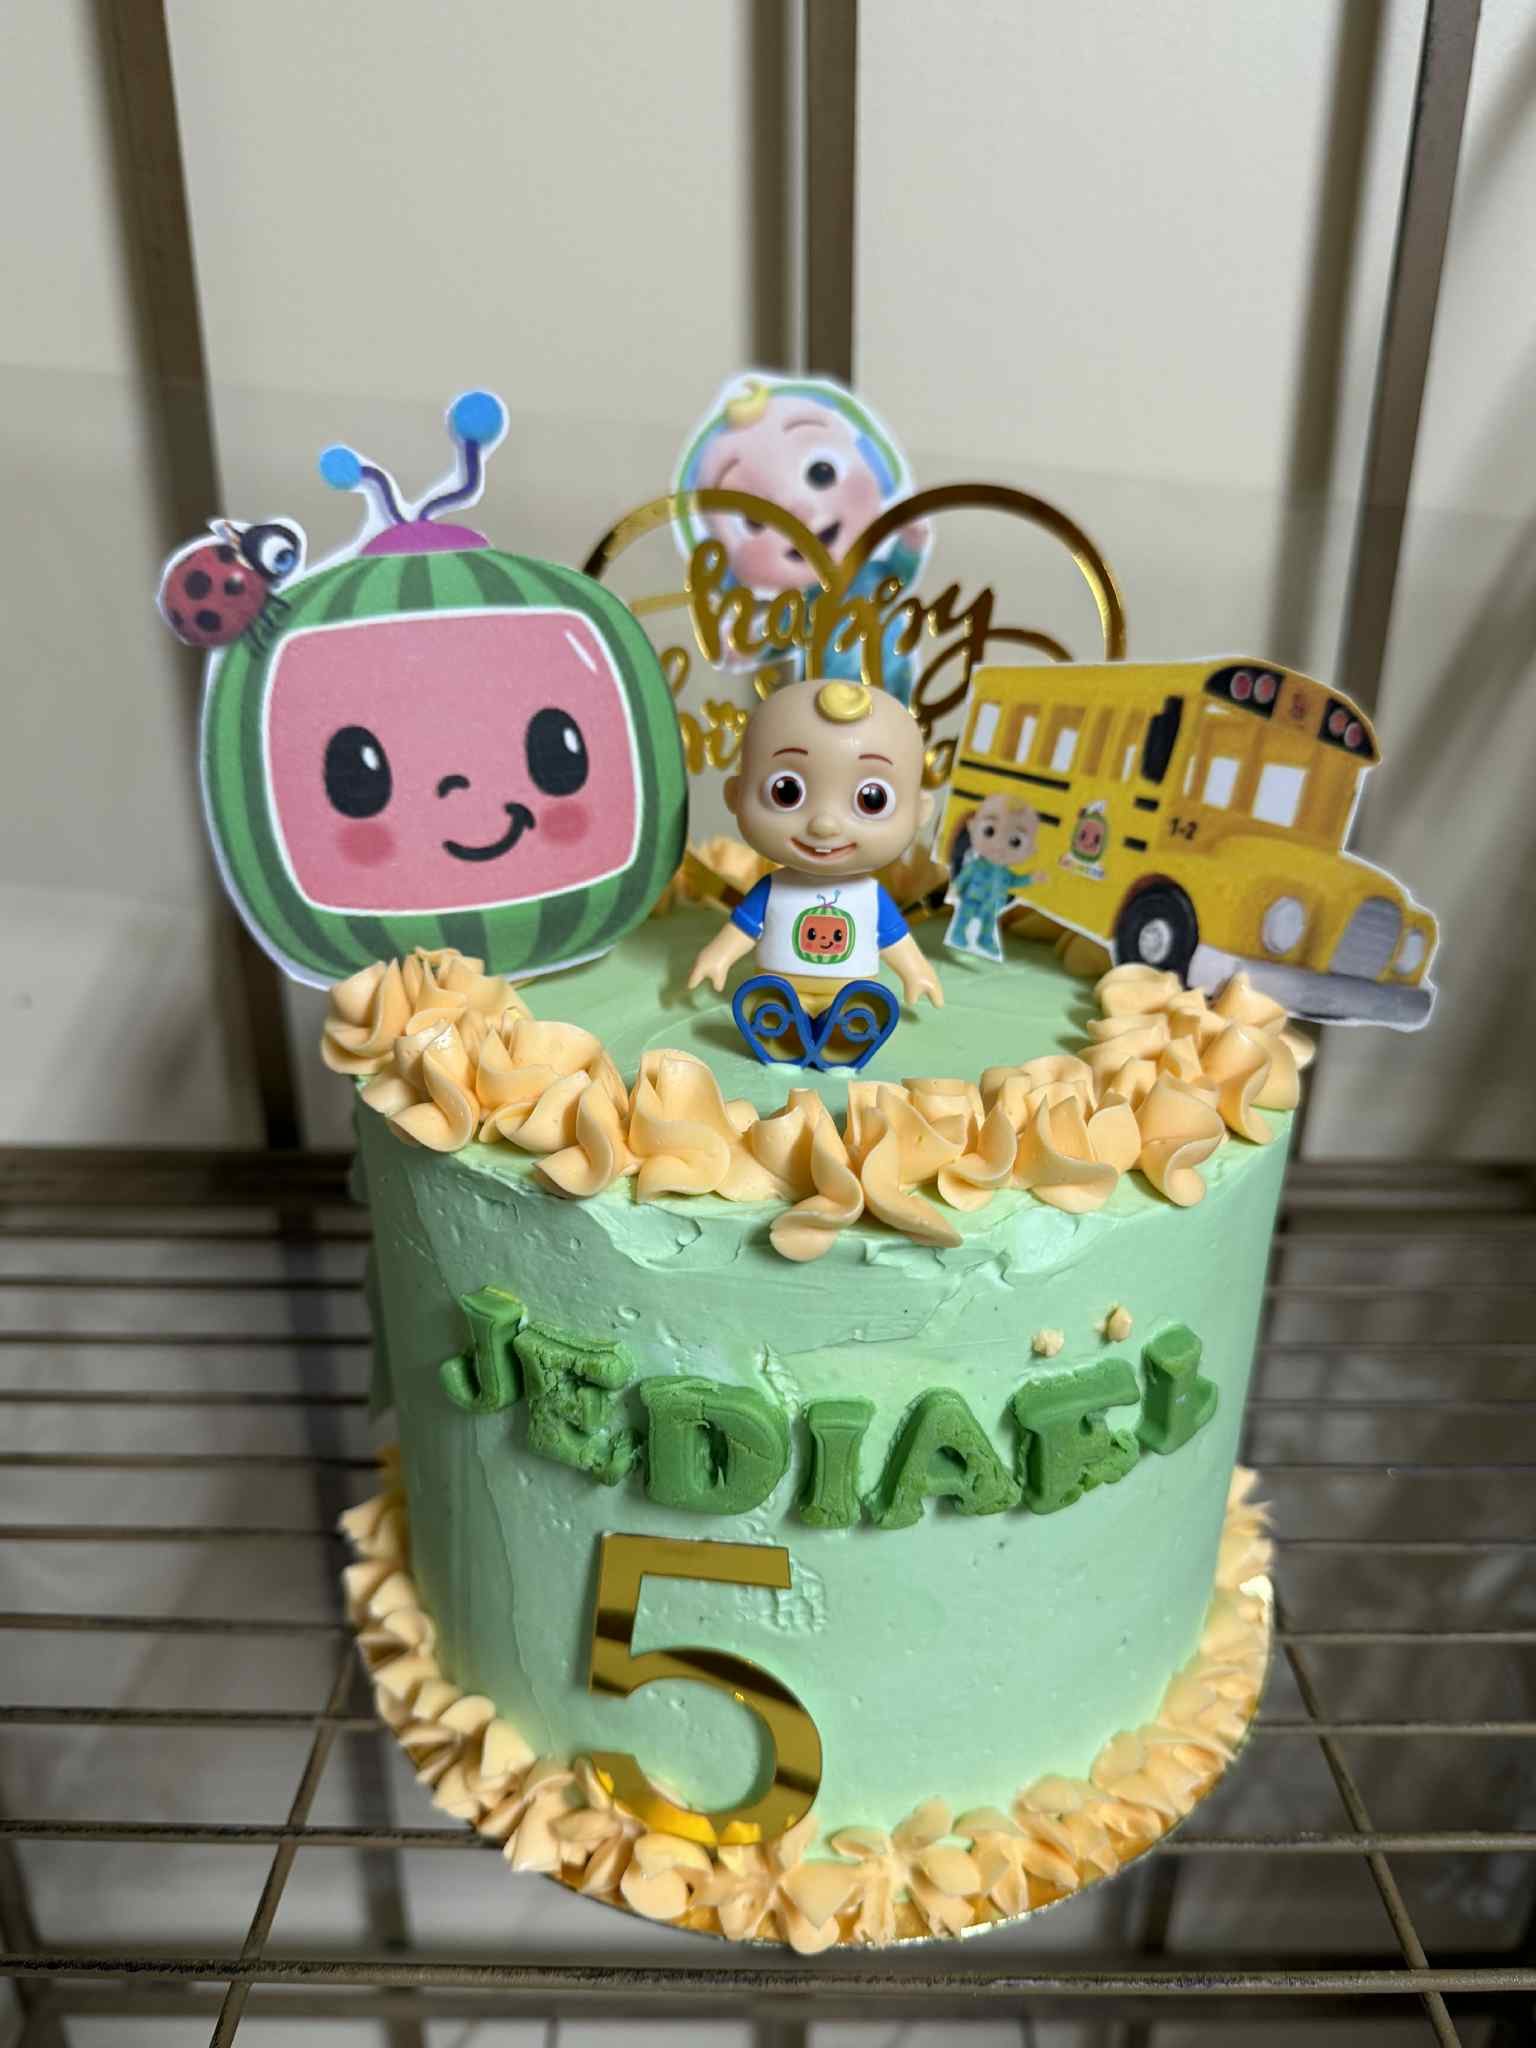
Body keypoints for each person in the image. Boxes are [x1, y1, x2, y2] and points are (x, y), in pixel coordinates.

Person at [688, 679, 943, 1038]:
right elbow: (744, 928)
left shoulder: (868, 895)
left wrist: (916, 971)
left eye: (872, 799)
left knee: (851, 1022)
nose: (824, 824)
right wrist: (718, 956)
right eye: (787, 792)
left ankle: (840, 1039)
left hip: (850, 990)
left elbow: (893, 938)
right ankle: (784, 1036)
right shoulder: (773, 888)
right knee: (774, 1019)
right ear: (736, 794)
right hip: (779, 986)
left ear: (919, 812)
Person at [675, 375, 931, 704]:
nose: (799, 513)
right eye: (754, 521)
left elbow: (900, 572)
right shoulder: (800, 606)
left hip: (891, 687)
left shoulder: (870, 575)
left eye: (821, 473)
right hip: (825, 703)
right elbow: (772, 638)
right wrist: (740, 645)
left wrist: (911, 541)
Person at [944, 794, 1043, 961]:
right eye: (990, 832)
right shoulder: (975, 864)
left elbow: (1014, 881)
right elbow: (963, 877)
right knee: (964, 917)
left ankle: (985, 940)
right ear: (972, 827)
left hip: (992, 904)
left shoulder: (1004, 872)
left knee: (988, 924)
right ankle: (958, 934)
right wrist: (954, 888)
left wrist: (1031, 878)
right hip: (972, 898)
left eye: (1015, 841)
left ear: (1031, 849)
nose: (999, 846)